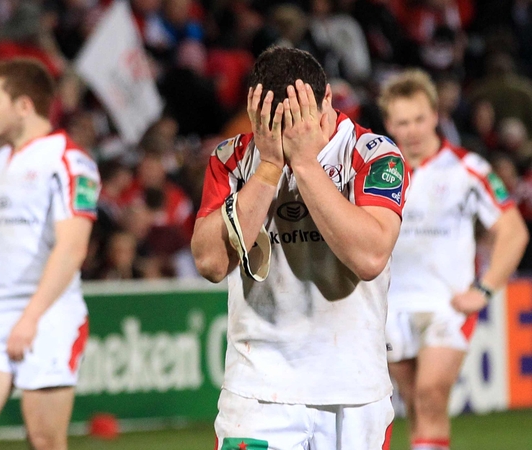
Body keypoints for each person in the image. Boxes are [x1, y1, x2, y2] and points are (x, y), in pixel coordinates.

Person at [191, 46, 409, 449]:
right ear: (257, 114)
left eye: (300, 119)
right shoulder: (232, 159)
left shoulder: (374, 155)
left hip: (354, 390)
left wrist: (306, 166)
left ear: (327, 98)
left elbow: (370, 257)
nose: (290, 133)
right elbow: (209, 262)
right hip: (257, 389)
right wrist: (269, 168)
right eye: (276, 122)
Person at [0, 59, 99, 450]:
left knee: (43, 439)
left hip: (49, 313)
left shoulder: (70, 161)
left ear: (24, 106)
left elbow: (72, 247)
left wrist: (31, 317)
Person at [379, 69, 529, 450]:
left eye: (418, 119)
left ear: (434, 115)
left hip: (446, 306)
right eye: (402, 122)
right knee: (414, 403)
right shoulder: (379, 173)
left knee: (431, 394)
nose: (411, 130)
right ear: (388, 124)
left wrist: (485, 288)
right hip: (390, 306)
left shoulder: (469, 169)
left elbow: (513, 231)